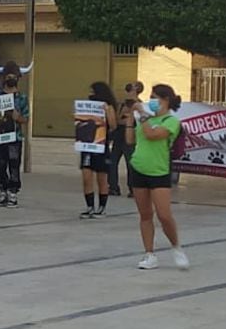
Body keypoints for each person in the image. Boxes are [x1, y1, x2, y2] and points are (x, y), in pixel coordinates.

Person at [130, 84, 189, 270]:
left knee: (164, 215)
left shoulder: (171, 121)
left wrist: (142, 115)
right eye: (150, 97)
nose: (151, 100)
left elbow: (152, 134)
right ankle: (149, 254)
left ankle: (176, 247)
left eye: (155, 97)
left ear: (166, 100)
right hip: (138, 168)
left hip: (159, 171)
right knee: (145, 214)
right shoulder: (143, 119)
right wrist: (129, 120)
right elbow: (132, 139)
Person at [0, 62, 29, 208]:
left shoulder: (22, 98)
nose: (11, 78)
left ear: (18, 78)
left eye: (14, 76)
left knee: (14, 165)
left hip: (15, 137)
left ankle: (13, 193)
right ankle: (2, 191)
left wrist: (18, 117)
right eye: (8, 76)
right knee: (0, 164)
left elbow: (26, 118)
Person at [78, 82, 118, 218]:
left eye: (92, 91)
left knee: (102, 178)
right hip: (87, 145)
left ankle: (102, 207)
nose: (90, 94)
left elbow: (113, 126)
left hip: (101, 145)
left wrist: (107, 111)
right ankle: (89, 206)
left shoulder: (109, 107)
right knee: (86, 176)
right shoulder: (88, 106)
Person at [110, 81, 143, 198]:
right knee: (112, 161)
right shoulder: (122, 103)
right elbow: (118, 119)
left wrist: (127, 118)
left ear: (137, 89)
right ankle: (113, 187)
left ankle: (133, 188)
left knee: (131, 163)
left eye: (133, 85)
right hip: (119, 135)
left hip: (130, 134)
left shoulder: (139, 104)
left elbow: (136, 120)